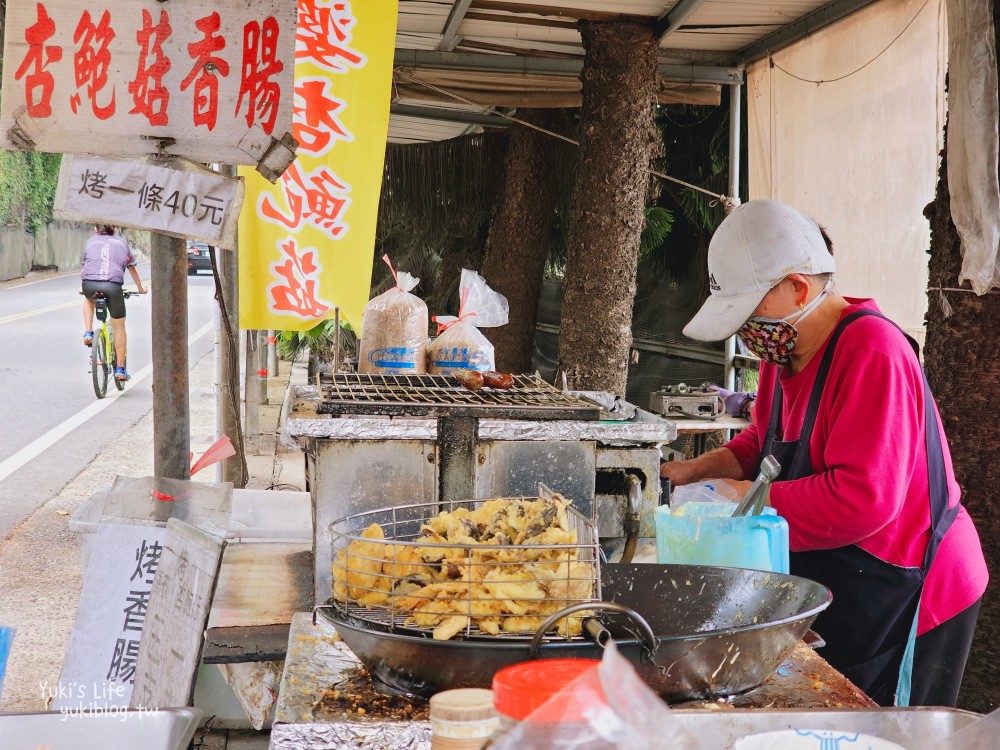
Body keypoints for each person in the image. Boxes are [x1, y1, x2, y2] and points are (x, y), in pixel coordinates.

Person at [661, 199, 987, 708]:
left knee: (887, 730)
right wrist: (691, 472)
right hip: (850, 576)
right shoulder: (782, 353)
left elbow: (863, 500)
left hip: (913, 586)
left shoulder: (873, 352)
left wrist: (740, 497)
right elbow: (764, 444)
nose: (747, 330)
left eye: (752, 311)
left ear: (798, 287)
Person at [81, 225, 147, 381]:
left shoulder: (90, 241)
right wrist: (141, 288)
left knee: (88, 300)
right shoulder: (121, 243)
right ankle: (119, 370)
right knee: (119, 327)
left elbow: (86, 265)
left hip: (89, 283)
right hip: (112, 286)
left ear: (95, 229)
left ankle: (88, 332)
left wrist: (83, 285)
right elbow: (131, 268)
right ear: (115, 228)